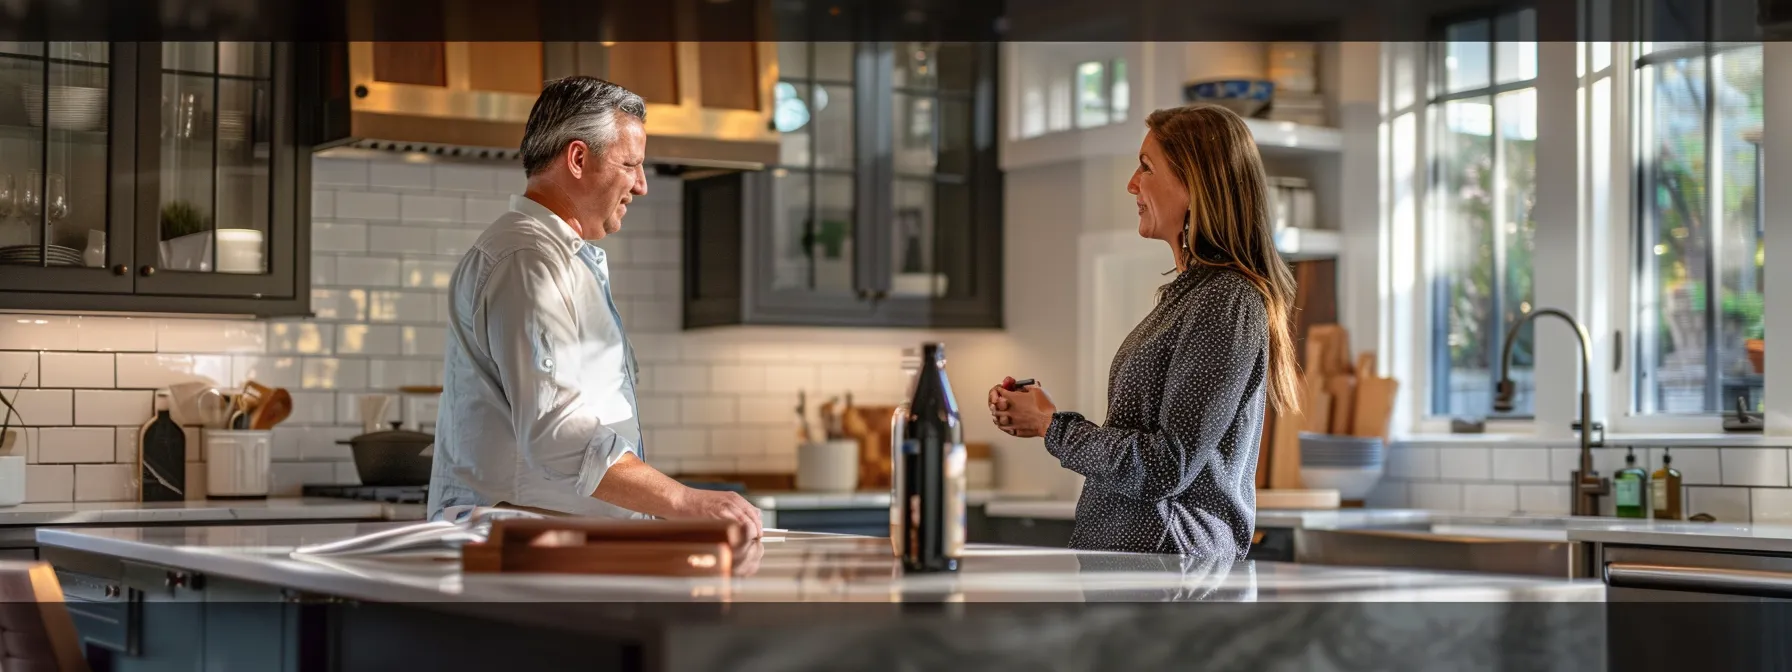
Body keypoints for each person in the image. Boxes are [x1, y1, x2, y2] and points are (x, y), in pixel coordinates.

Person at [427, 76, 762, 537]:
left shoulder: (555, 258)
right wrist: (683, 500)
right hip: (519, 549)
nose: (642, 185)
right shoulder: (528, 261)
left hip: (547, 544)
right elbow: (558, 433)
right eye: (630, 164)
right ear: (579, 159)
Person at [987, 103, 1300, 559]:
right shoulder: (1190, 297)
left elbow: (1164, 465)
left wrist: (1050, 425)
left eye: (1146, 167)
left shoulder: (1226, 300)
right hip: (1145, 571)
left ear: (1195, 186)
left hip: (1171, 581)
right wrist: (1044, 418)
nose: (1132, 184)